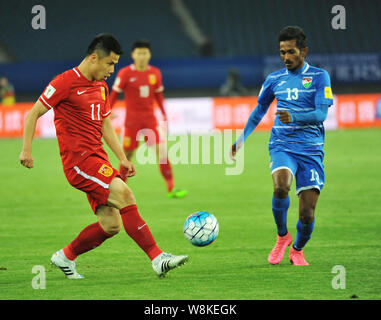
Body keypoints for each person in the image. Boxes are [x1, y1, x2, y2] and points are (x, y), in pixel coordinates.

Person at [19, 34, 188, 279]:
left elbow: (105, 124)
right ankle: (157, 257)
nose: (112, 69)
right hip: (79, 162)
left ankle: (65, 256)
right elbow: (32, 113)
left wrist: (122, 158)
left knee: (112, 225)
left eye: (115, 64)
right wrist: (26, 150)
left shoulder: (101, 86)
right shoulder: (65, 82)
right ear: (93, 57)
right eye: (109, 63)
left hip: (98, 159)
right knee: (125, 193)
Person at [231, 26, 333, 266]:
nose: (286, 57)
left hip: (311, 150)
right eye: (282, 52)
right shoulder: (274, 79)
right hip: (282, 145)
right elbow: (259, 110)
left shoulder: (320, 77)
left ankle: (297, 249)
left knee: (307, 215)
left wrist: (295, 117)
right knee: (280, 187)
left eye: (291, 52)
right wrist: (241, 139)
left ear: (304, 51)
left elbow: (321, 114)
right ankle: (282, 236)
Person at [109, 40, 187, 199]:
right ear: (133, 55)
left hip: (150, 121)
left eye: (145, 53)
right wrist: (108, 111)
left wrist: (164, 115)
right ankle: (120, 191)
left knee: (163, 152)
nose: (142, 56)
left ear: (149, 55)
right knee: (126, 156)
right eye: (139, 53)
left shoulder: (155, 73)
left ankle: (171, 188)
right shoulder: (125, 73)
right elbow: (114, 94)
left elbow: (158, 96)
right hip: (131, 122)